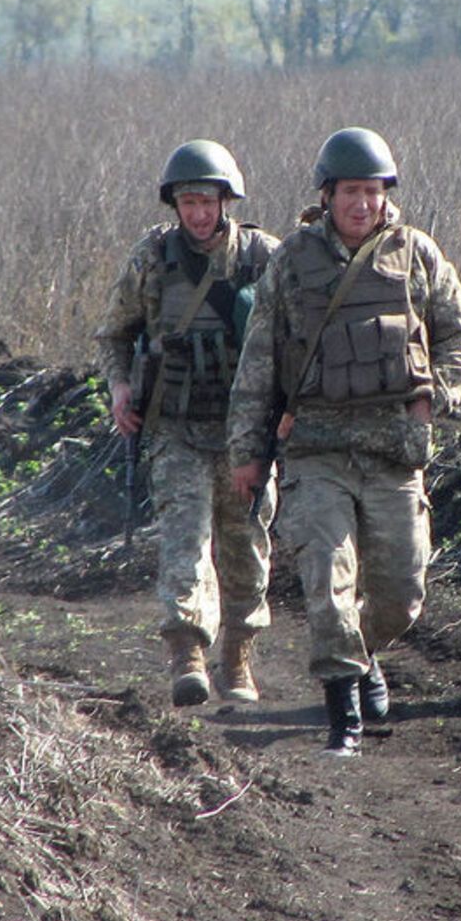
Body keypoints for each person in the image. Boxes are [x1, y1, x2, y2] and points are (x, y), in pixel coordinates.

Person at [228, 127, 461, 757]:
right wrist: (248, 454)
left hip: (395, 450)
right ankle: (344, 717)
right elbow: (259, 362)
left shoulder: (417, 255)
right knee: (328, 581)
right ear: (327, 195)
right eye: (349, 192)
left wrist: (437, 396)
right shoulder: (292, 261)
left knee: (401, 593)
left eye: (371, 192)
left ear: (384, 195)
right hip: (316, 452)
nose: (360, 204)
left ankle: (363, 658)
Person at [95, 139, 280, 708]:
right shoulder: (152, 260)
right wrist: (120, 387)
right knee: (185, 544)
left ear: (227, 201)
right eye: (188, 202)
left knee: (246, 546)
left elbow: (298, 336)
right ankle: (187, 655)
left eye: (208, 201)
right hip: (176, 428)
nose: (198, 213)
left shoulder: (263, 258)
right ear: (174, 205)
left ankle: (237, 658)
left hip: (245, 434)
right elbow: (113, 334)